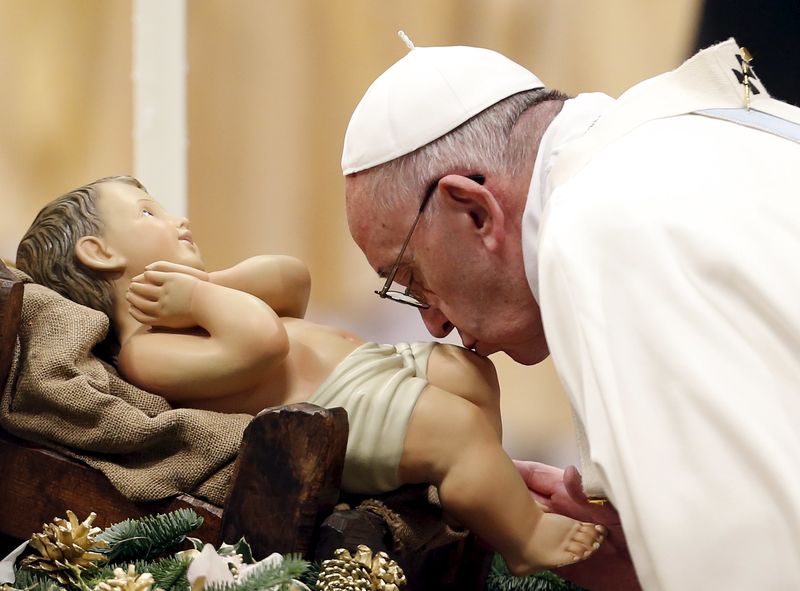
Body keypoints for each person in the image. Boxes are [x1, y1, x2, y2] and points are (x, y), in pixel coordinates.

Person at [342, 35, 800, 590]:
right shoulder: (677, 147)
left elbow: (750, 554)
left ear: (474, 211)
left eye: (411, 278)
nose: (433, 324)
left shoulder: (603, 222)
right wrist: (644, 546)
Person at [15, 175, 606, 576]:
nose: (178, 218)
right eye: (147, 213)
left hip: (372, 368)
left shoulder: (203, 297)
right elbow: (263, 344)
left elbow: (292, 281)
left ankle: (470, 490)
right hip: (336, 411)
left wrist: (212, 285)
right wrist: (201, 299)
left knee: (469, 372)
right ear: (99, 253)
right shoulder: (148, 353)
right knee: (452, 427)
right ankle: (522, 541)